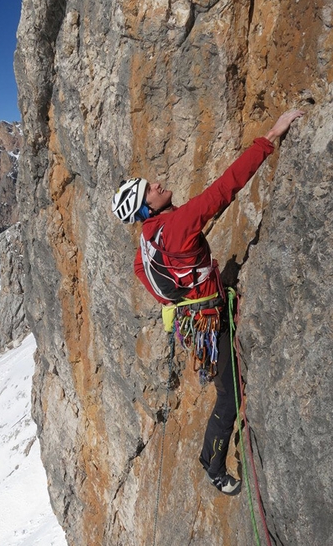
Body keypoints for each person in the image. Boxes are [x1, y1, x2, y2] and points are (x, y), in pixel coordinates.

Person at [111, 109, 304, 495]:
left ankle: (212, 461)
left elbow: (154, 283)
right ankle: (212, 464)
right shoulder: (178, 225)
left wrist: (189, 281)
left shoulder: (145, 247)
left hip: (195, 324)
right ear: (147, 206)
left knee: (225, 388)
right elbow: (224, 189)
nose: (160, 183)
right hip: (210, 323)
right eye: (151, 187)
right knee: (229, 398)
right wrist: (271, 136)